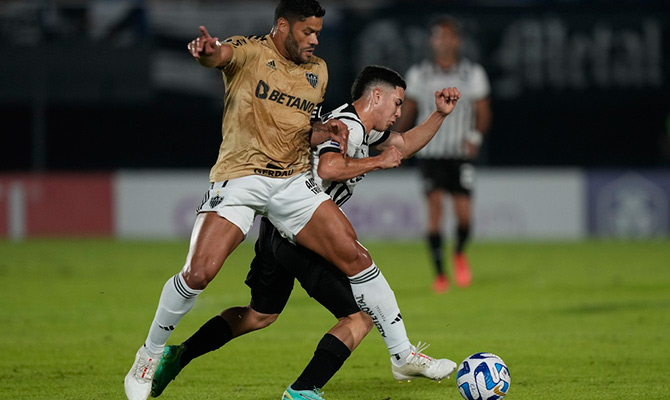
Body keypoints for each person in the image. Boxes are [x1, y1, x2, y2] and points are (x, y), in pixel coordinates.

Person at [123, 2, 452, 399]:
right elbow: (220, 55)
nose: (315, 39)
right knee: (199, 274)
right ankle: (150, 353)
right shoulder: (250, 52)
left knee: (327, 274)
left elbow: (303, 130)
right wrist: (209, 52)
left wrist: (321, 129)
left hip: (290, 182)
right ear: (283, 26)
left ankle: (401, 355)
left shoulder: (318, 73)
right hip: (242, 176)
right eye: (308, 32)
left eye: (318, 32)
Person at [393, 15, 492, 293]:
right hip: (430, 153)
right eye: (437, 36)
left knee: (463, 217)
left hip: (460, 153)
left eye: (447, 36)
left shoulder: (473, 74)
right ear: (432, 41)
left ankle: (459, 251)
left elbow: (483, 112)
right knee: (435, 211)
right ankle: (440, 275)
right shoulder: (418, 74)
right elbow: (408, 112)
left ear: (457, 40)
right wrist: (396, 142)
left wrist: (476, 136)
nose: (442, 41)